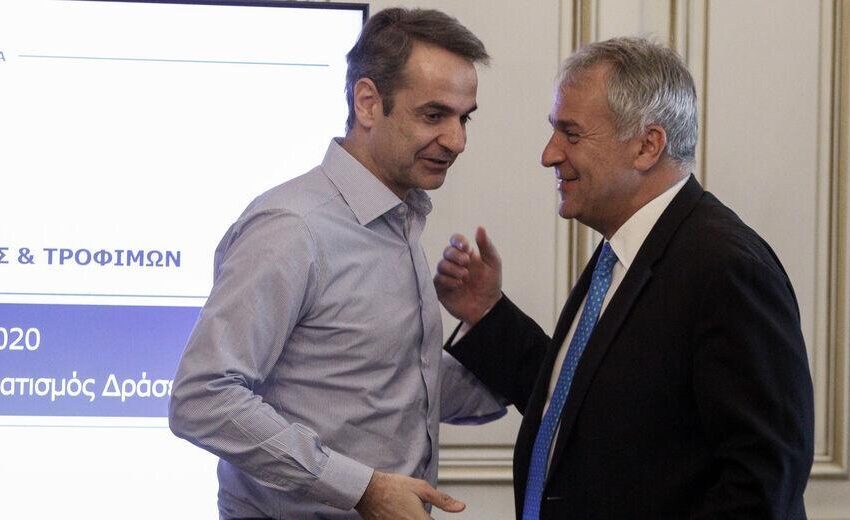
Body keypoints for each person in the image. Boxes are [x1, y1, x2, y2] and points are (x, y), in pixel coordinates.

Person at [435, 36, 814, 519]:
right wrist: (487, 313)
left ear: (647, 146)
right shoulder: (625, 252)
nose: (549, 154)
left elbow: (762, 481)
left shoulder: (728, 268)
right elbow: (583, 404)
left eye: (571, 134)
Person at [168, 8, 506, 520]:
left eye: (465, 118)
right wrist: (362, 489)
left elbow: (391, 386)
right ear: (368, 103)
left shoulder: (399, 221)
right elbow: (202, 399)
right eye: (434, 115)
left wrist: (495, 327)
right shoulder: (292, 228)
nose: (457, 141)